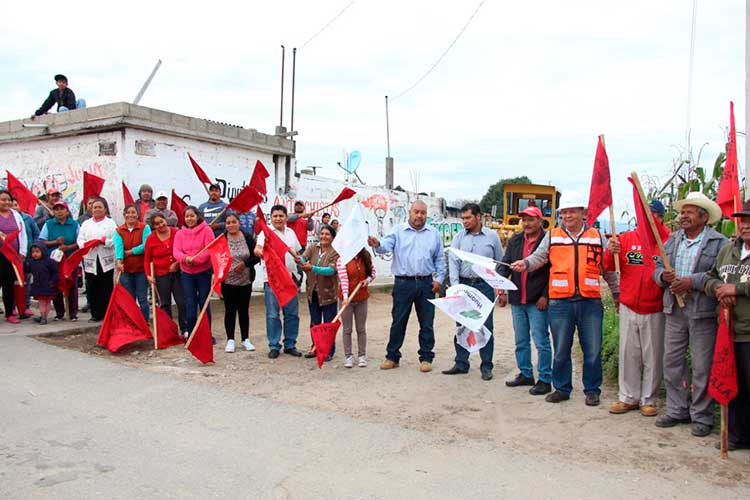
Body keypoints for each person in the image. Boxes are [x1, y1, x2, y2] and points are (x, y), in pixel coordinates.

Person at [511, 194, 619, 406]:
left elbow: (608, 268)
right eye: (564, 212)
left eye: (572, 211)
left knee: (593, 348)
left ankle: (592, 389)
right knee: (560, 348)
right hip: (560, 302)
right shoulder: (553, 236)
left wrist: (616, 293)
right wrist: (525, 263)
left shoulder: (597, 236)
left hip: (590, 302)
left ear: (583, 213)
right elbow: (539, 257)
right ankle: (562, 388)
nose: (567, 215)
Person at [653, 191, 727, 437]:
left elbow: (720, 275)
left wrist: (690, 282)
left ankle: (702, 416)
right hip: (674, 310)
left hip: (702, 312)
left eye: (689, 212)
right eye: (682, 212)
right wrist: (663, 276)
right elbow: (657, 267)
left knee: (702, 365)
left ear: (703, 217)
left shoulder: (719, 243)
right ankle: (677, 410)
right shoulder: (673, 240)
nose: (683, 216)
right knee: (672, 362)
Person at [604, 200, 670, 417]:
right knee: (628, 353)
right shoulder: (626, 239)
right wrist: (609, 251)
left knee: (652, 355)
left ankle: (649, 399)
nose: (647, 220)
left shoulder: (667, 241)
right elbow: (609, 266)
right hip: (629, 304)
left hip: (655, 307)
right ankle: (628, 397)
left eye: (652, 215)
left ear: (660, 218)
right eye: (643, 215)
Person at [368, 200, 446, 372]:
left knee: (426, 323)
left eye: (423, 213)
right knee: (398, 321)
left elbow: (440, 259)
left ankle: (426, 358)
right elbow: (385, 246)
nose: (419, 215)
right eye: (416, 212)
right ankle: (392, 357)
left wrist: (439, 280)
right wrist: (377, 244)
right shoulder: (398, 231)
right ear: (409, 212)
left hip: (426, 283)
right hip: (403, 283)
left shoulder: (433, 234)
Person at [704, 199, 750, 450]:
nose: (746, 226)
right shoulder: (728, 250)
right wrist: (720, 289)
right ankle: (735, 435)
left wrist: (739, 289)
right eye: (743, 221)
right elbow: (711, 278)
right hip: (729, 330)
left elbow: (738, 286)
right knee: (734, 386)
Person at [443, 202, 504, 381]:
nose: (465, 221)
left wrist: (500, 287)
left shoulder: (492, 237)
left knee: (485, 326)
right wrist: (455, 287)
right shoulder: (459, 237)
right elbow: (453, 262)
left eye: (468, 217)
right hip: (464, 285)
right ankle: (461, 363)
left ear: (478, 217)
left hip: (484, 286)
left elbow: (499, 263)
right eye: (463, 218)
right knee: (462, 324)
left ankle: (486, 365)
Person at [497, 206, 552, 393]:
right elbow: (505, 264)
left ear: (540, 220)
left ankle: (545, 378)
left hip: (537, 300)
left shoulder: (548, 241)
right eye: (524, 220)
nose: (526, 224)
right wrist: (501, 286)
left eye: (531, 219)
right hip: (517, 298)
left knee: (541, 341)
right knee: (521, 340)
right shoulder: (515, 240)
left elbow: (553, 271)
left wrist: (546, 295)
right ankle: (526, 373)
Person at [254, 204, 303, 358]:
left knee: (292, 314)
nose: (278, 219)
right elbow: (257, 249)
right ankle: (274, 345)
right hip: (273, 280)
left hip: (290, 279)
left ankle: (290, 344)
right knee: (273, 315)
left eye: (281, 216)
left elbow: (296, 252)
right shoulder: (266, 233)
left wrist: (300, 261)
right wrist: (263, 253)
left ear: (286, 218)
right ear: (271, 218)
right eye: (275, 216)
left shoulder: (291, 233)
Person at [173, 206, 215, 338]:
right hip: (186, 274)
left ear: (197, 216)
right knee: (190, 303)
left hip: (204, 272)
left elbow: (210, 249)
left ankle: (206, 334)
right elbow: (176, 252)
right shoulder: (180, 233)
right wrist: (186, 259)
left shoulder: (207, 230)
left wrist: (196, 260)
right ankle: (192, 334)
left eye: (192, 216)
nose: (189, 219)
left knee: (203, 303)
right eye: (187, 216)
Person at [222, 213, 260, 353]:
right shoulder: (221, 238)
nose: (231, 225)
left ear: (239, 223)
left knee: (243, 310)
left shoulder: (247, 238)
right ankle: (230, 340)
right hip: (227, 281)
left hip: (245, 280)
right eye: (228, 223)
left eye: (234, 222)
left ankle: (245, 339)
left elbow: (257, 257)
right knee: (230, 310)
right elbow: (216, 257)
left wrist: (245, 264)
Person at [144, 214, 187, 336]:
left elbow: (185, 250)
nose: (160, 225)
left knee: (182, 302)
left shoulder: (177, 232)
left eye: (161, 221)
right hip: (161, 274)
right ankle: (169, 330)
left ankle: (184, 328)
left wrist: (178, 263)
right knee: (164, 303)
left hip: (177, 273)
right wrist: (148, 275)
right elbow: (147, 259)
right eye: (157, 224)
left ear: (165, 220)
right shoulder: (151, 238)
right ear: (153, 227)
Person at [301, 225, 340, 361]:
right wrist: (298, 259)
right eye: (322, 233)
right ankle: (315, 348)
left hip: (329, 294)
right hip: (313, 293)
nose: (324, 236)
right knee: (315, 323)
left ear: (333, 237)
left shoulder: (335, 252)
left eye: (327, 234)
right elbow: (303, 258)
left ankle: (329, 351)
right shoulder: (313, 248)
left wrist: (312, 268)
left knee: (328, 324)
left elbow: (330, 271)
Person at [77, 198, 117, 322]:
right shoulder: (86, 224)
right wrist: (87, 244)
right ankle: (95, 314)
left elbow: (116, 240)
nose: (97, 209)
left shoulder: (111, 223)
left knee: (106, 286)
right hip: (91, 259)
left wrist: (105, 242)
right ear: (91, 209)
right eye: (95, 207)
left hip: (105, 260)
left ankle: (107, 314)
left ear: (105, 209)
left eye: (100, 207)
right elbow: (80, 239)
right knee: (92, 286)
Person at [39, 201, 80, 321]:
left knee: (72, 285)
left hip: (70, 259)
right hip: (54, 260)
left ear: (67, 211)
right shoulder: (48, 224)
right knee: (56, 285)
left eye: (62, 209)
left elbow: (80, 242)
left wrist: (68, 247)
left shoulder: (74, 224)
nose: (59, 211)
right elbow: (42, 241)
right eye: (56, 209)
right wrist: (55, 242)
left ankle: (72, 313)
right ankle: (60, 313)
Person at [336, 248, 376, 368]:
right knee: (347, 329)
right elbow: (343, 279)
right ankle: (348, 356)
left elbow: (373, 272)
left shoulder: (366, 256)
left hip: (362, 298)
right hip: (346, 300)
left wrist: (367, 280)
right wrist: (346, 297)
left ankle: (362, 356)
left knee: (361, 328)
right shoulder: (341, 259)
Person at [114, 205, 152, 320]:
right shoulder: (118, 231)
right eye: (128, 212)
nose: (131, 215)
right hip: (126, 270)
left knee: (142, 298)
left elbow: (146, 245)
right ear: (124, 215)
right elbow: (119, 248)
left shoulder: (145, 228)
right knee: (129, 299)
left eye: (133, 212)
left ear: (137, 214)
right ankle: (133, 322)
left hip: (141, 269)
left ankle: (145, 322)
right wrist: (119, 261)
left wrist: (131, 252)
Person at [0, 190, 28, 324]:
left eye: (8, 200)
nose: (6, 202)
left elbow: (23, 235)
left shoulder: (16, 215)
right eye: (3, 199)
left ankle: (10, 313)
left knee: (8, 285)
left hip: (12, 256)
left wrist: (22, 252)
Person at [14, 199, 40, 317]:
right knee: (11, 282)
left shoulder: (28, 218)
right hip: (10, 256)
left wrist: (33, 248)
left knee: (26, 282)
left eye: (16, 204)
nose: (14, 207)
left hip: (26, 256)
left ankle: (26, 305)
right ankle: (13, 306)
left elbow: (36, 234)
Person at [24, 243, 58, 325]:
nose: (35, 254)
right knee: (42, 302)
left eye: (37, 251)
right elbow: (27, 271)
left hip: (48, 285)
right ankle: (43, 316)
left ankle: (44, 317)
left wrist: (53, 282)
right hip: (38, 286)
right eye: (33, 252)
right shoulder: (31, 262)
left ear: (43, 251)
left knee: (47, 302)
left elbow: (55, 273)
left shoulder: (50, 262)